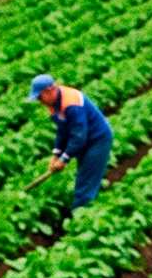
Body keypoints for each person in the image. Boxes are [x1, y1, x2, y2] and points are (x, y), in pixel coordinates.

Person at [27, 73, 113, 210]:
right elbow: (63, 131)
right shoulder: (54, 104)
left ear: (49, 91)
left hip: (97, 139)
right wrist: (56, 155)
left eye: (39, 96)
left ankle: (81, 214)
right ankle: (93, 201)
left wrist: (63, 159)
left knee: (85, 181)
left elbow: (79, 137)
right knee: (86, 175)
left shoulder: (71, 104)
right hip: (84, 139)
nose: (39, 101)